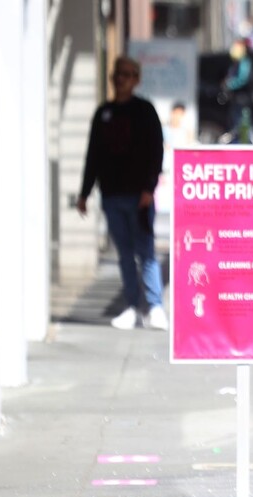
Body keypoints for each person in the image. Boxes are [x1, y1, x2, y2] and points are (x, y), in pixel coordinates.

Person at [76, 56, 168, 331]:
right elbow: (93, 155)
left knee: (146, 252)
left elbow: (156, 151)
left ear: (136, 79)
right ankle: (131, 306)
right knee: (124, 253)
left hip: (139, 195)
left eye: (128, 74)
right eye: (118, 74)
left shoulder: (145, 111)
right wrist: (84, 192)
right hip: (112, 194)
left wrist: (149, 188)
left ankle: (155, 307)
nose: (121, 79)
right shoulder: (103, 113)